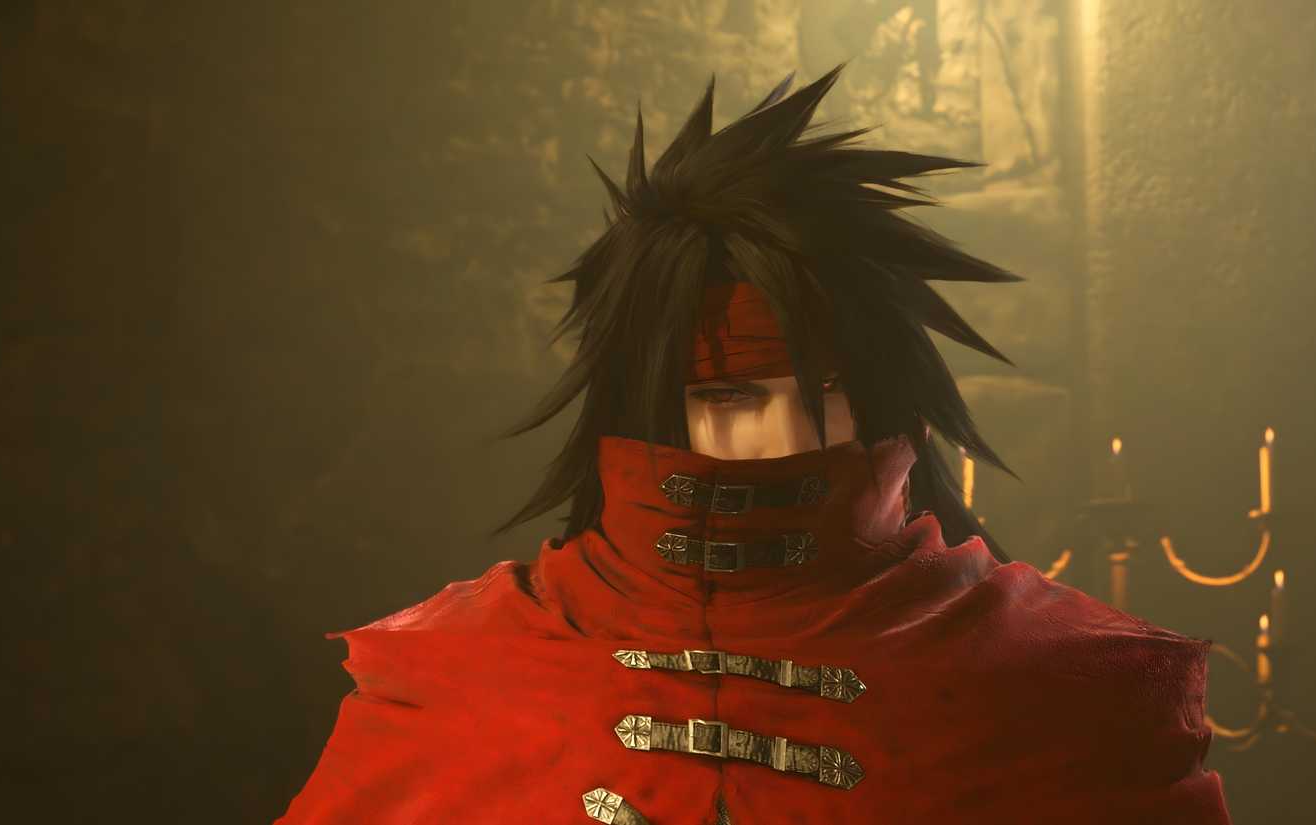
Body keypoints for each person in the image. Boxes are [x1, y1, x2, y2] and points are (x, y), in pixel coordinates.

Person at [278, 67, 1231, 824]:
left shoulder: (1058, 687)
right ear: (655, 410)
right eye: (728, 396)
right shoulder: (462, 678)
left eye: (827, 393)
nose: (783, 439)